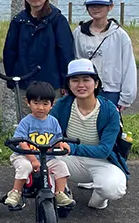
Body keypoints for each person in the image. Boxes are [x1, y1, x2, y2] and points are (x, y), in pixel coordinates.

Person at [51, 59, 128, 210]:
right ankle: (62, 192)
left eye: (86, 79)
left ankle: (99, 199)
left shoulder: (110, 110)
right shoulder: (62, 105)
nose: (81, 85)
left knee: (113, 188)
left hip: (101, 161)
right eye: (75, 80)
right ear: (69, 84)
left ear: (96, 83)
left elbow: (104, 150)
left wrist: (71, 148)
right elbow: (49, 134)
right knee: (45, 162)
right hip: (69, 160)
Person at [3, 0, 74, 114]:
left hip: (52, 84)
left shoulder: (57, 20)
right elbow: (10, 52)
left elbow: (66, 53)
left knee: (52, 122)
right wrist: (12, 78)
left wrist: (66, 82)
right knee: (27, 123)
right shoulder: (18, 21)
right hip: (25, 84)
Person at [4, 81, 76, 210]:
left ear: (52, 105)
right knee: (25, 167)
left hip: (46, 158)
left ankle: (60, 193)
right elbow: (22, 142)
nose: (40, 108)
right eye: (36, 103)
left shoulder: (53, 122)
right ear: (28, 102)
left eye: (45, 104)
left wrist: (62, 144)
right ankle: (16, 192)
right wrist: (33, 160)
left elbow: (58, 138)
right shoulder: (26, 122)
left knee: (61, 166)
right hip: (24, 156)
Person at [73, 0, 137, 111]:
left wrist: (126, 97)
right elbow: (75, 61)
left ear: (110, 7)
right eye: (91, 5)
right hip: (85, 90)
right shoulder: (79, 33)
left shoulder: (120, 35)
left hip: (111, 91)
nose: (95, 9)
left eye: (101, 5)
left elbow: (128, 66)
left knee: (110, 127)